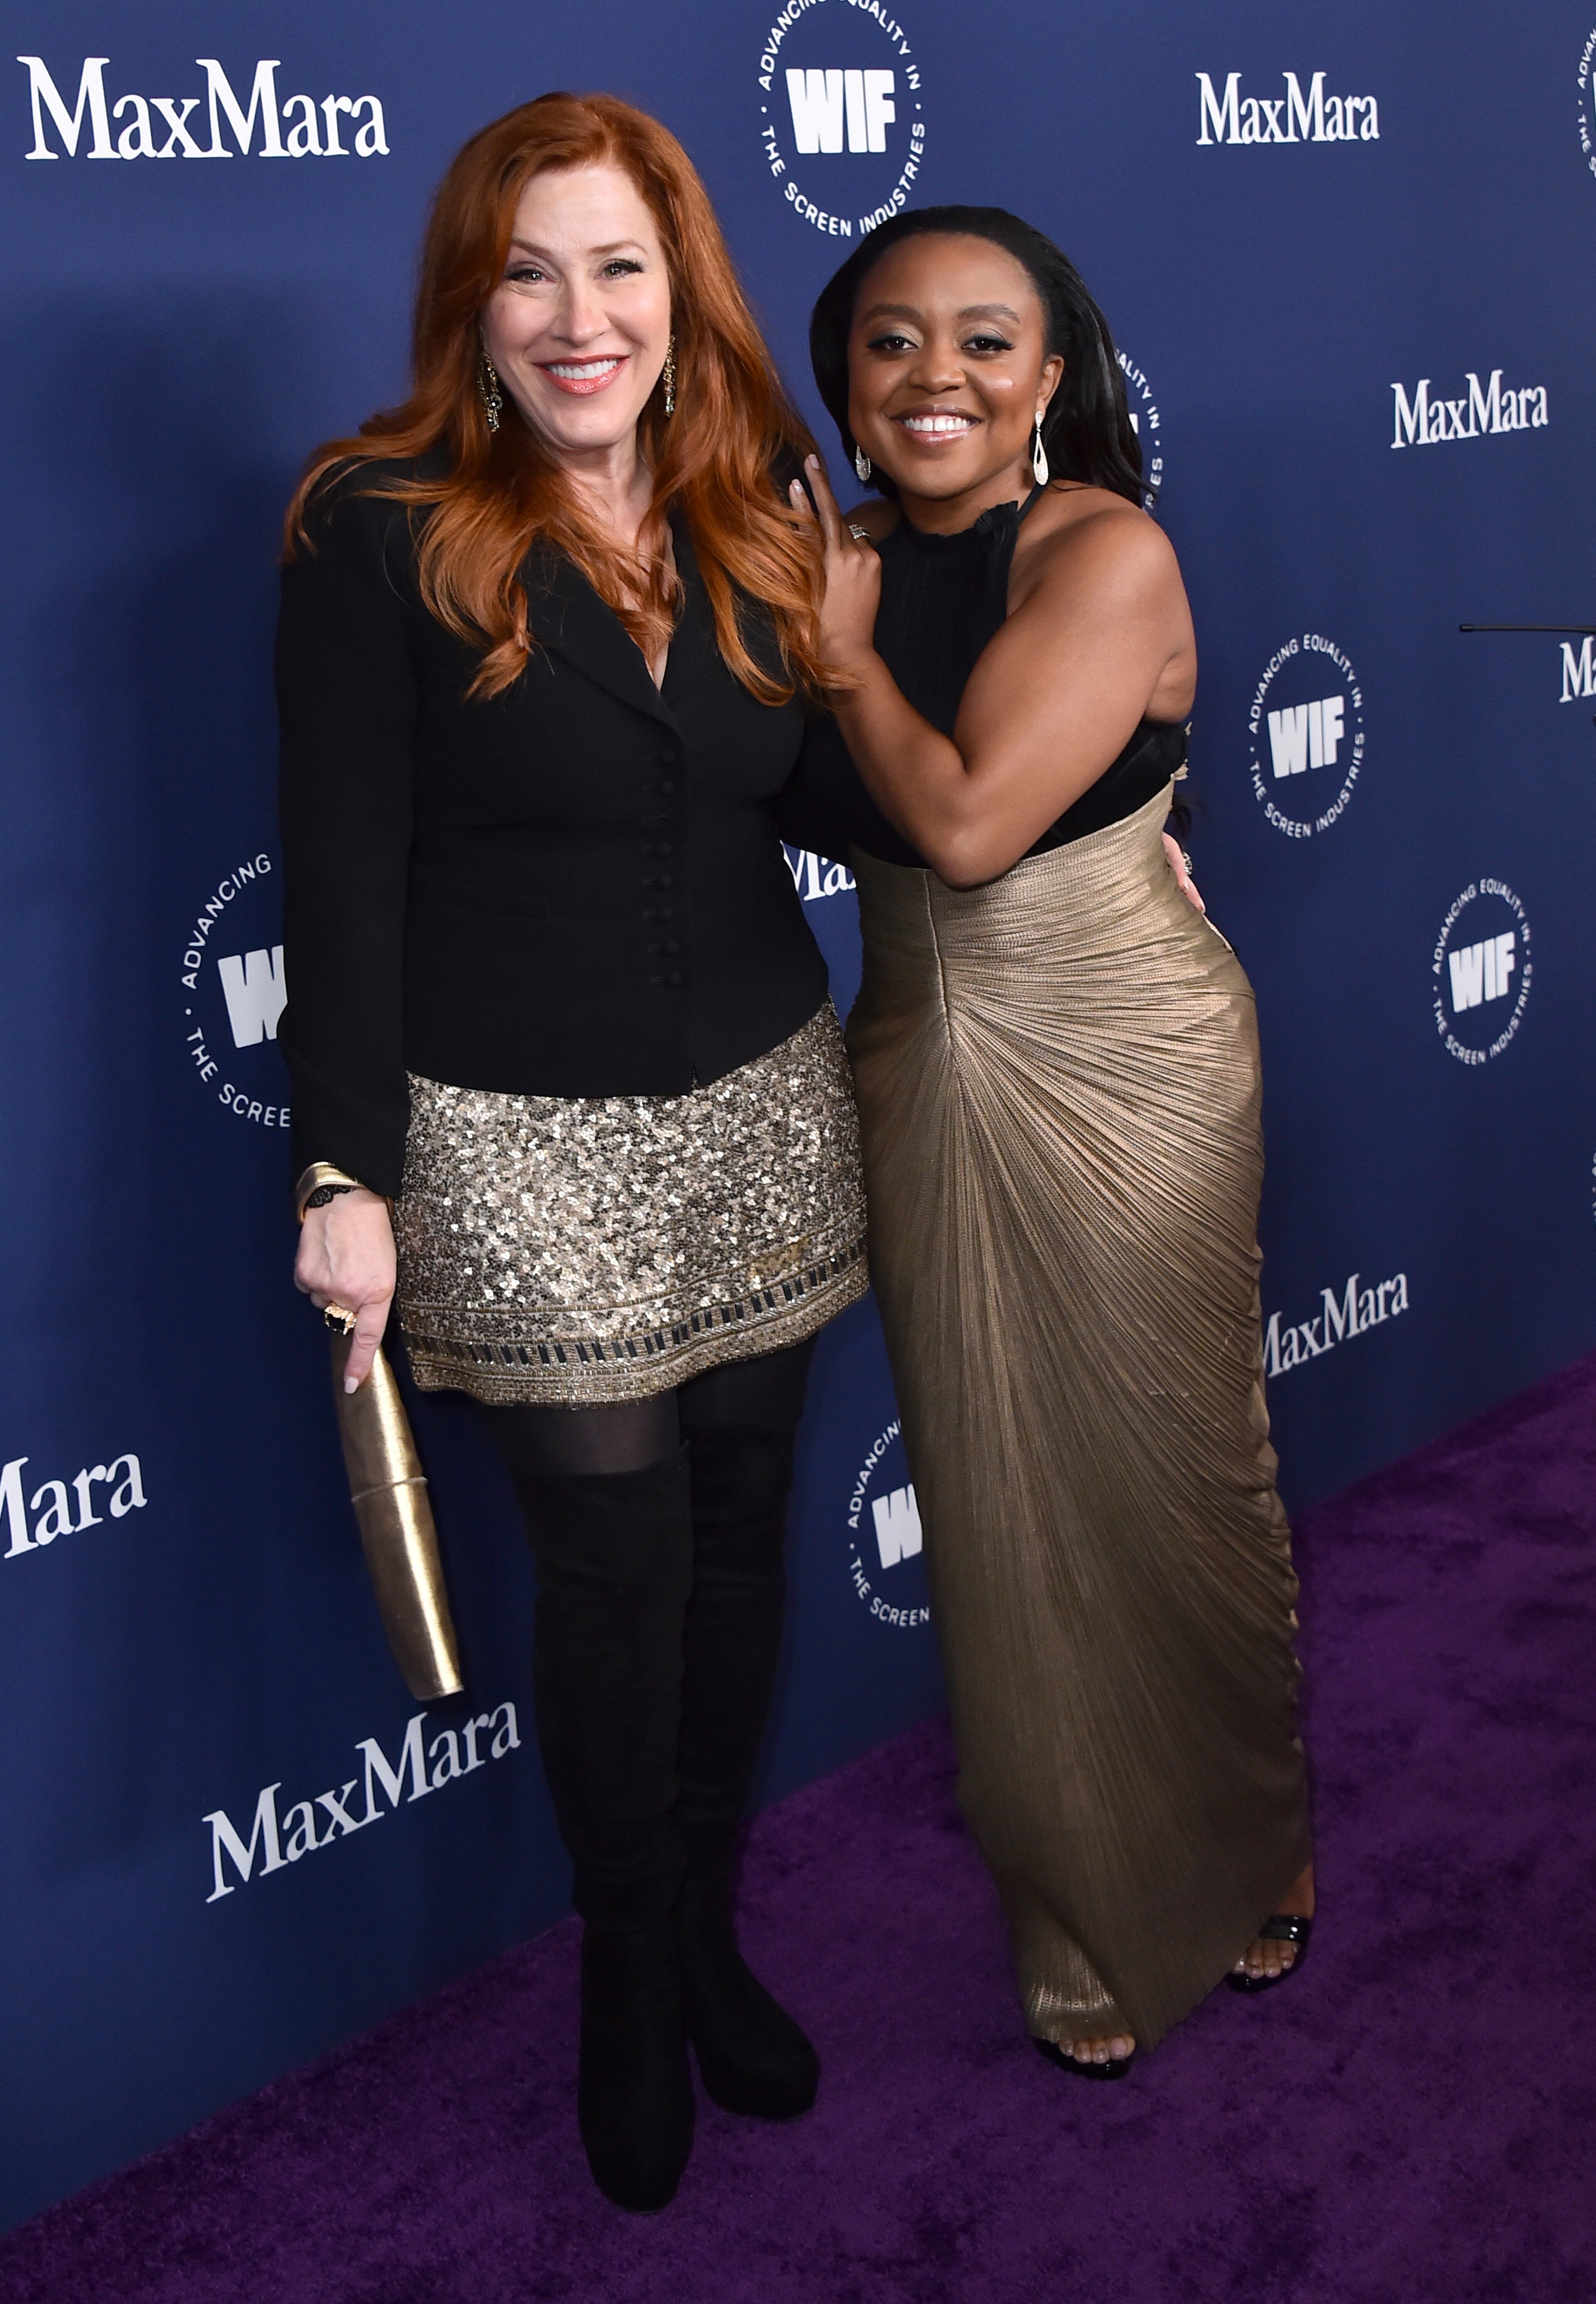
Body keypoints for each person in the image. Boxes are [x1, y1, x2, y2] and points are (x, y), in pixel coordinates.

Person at [278, 94, 867, 2211]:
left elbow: (831, 796)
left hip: (767, 1104)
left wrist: (1115, 798)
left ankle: (707, 1931)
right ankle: (629, 1972)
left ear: (680, 285)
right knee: (613, 1584)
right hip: (510, 1140)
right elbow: (335, 872)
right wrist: (343, 1177)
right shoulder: (378, 519)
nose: (578, 314)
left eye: (618, 265)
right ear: (474, 298)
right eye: (530, 270)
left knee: (736, 1553)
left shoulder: (755, 501)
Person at [785, 206, 1314, 2078]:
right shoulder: (821, 557)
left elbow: (976, 826)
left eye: (986, 341)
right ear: (843, 380)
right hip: (920, 1042)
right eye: (892, 342)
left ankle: (1253, 1844)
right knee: (999, 1488)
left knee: (1176, 1461)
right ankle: (1082, 1910)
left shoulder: (1101, 550)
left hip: (1119, 1035)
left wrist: (844, 660)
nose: (938, 377)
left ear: (1055, 377)